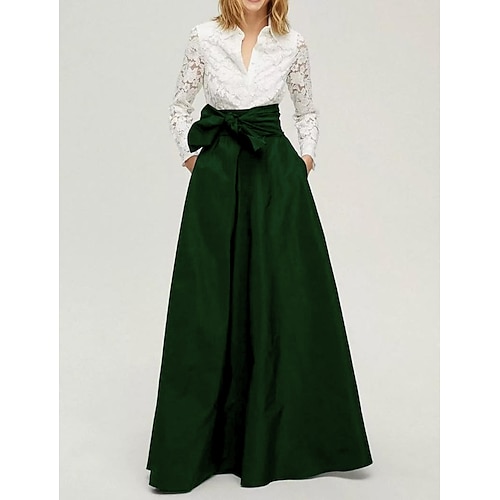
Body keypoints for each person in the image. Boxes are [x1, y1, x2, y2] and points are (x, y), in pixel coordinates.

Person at [146, 0, 373, 493]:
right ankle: (202, 449)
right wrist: (192, 158)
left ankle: (283, 440)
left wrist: (304, 161)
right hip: (218, 175)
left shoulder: (293, 43)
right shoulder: (204, 37)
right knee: (207, 302)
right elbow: (179, 106)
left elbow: (306, 110)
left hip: (274, 179)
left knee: (283, 297)